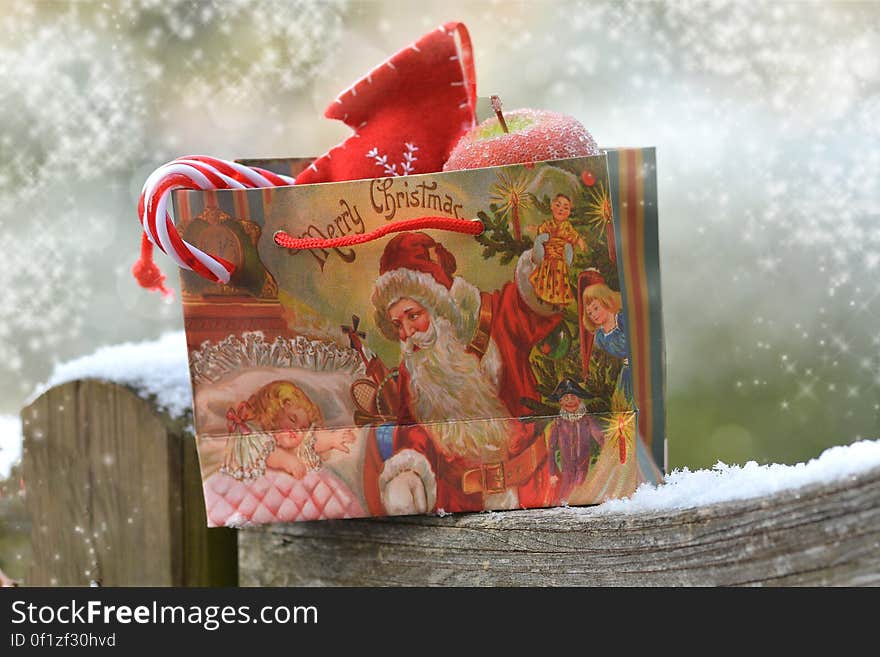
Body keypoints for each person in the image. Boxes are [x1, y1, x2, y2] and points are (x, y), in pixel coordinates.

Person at [369, 231, 564, 515]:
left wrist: (540, 270)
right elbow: (412, 431)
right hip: (459, 505)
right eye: (397, 324)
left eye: (413, 316)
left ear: (438, 308)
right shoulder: (416, 367)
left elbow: (530, 308)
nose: (407, 333)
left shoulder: (492, 318)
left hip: (535, 492)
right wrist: (409, 471)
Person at [223, 380, 354, 480]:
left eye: (303, 428)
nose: (296, 430)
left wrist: (332, 439)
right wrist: (288, 462)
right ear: (273, 412)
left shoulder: (294, 439)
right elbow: (270, 454)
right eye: (292, 419)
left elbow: (311, 441)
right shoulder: (259, 437)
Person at [546, 379, 604, 504]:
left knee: (579, 491)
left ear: (580, 400)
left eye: (573, 397)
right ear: (560, 402)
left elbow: (601, 437)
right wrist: (551, 473)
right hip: (566, 469)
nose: (570, 401)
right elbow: (551, 448)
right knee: (564, 494)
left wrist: (609, 449)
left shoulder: (587, 420)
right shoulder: (558, 423)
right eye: (566, 398)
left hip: (583, 468)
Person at [526, 194, 586, 306]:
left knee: (558, 280)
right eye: (558, 205)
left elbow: (575, 237)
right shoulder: (548, 224)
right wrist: (533, 228)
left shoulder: (567, 227)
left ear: (569, 212)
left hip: (559, 259)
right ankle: (543, 298)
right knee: (545, 278)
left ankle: (556, 301)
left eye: (565, 208)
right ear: (552, 206)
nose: (561, 209)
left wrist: (580, 242)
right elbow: (540, 229)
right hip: (548, 257)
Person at [581, 280, 633, 409]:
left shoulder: (622, 319)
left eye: (596, 308)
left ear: (606, 301)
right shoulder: (599, 337)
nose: (593, 315)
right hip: (626, 371)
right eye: (589, 313)